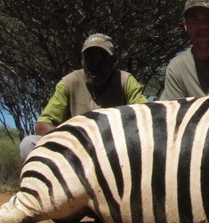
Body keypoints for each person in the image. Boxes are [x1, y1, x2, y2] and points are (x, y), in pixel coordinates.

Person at [19, 33, 148, 160]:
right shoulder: (69, 82)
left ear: (112, 61)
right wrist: (72, 140)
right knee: (28, 143)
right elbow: (43, 124)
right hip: (75, 149)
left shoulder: (125, 81)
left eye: (101, 59)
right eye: (89, 58)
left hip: (116, 149)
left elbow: (147, 115)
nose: (95, 65)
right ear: (82, 61)